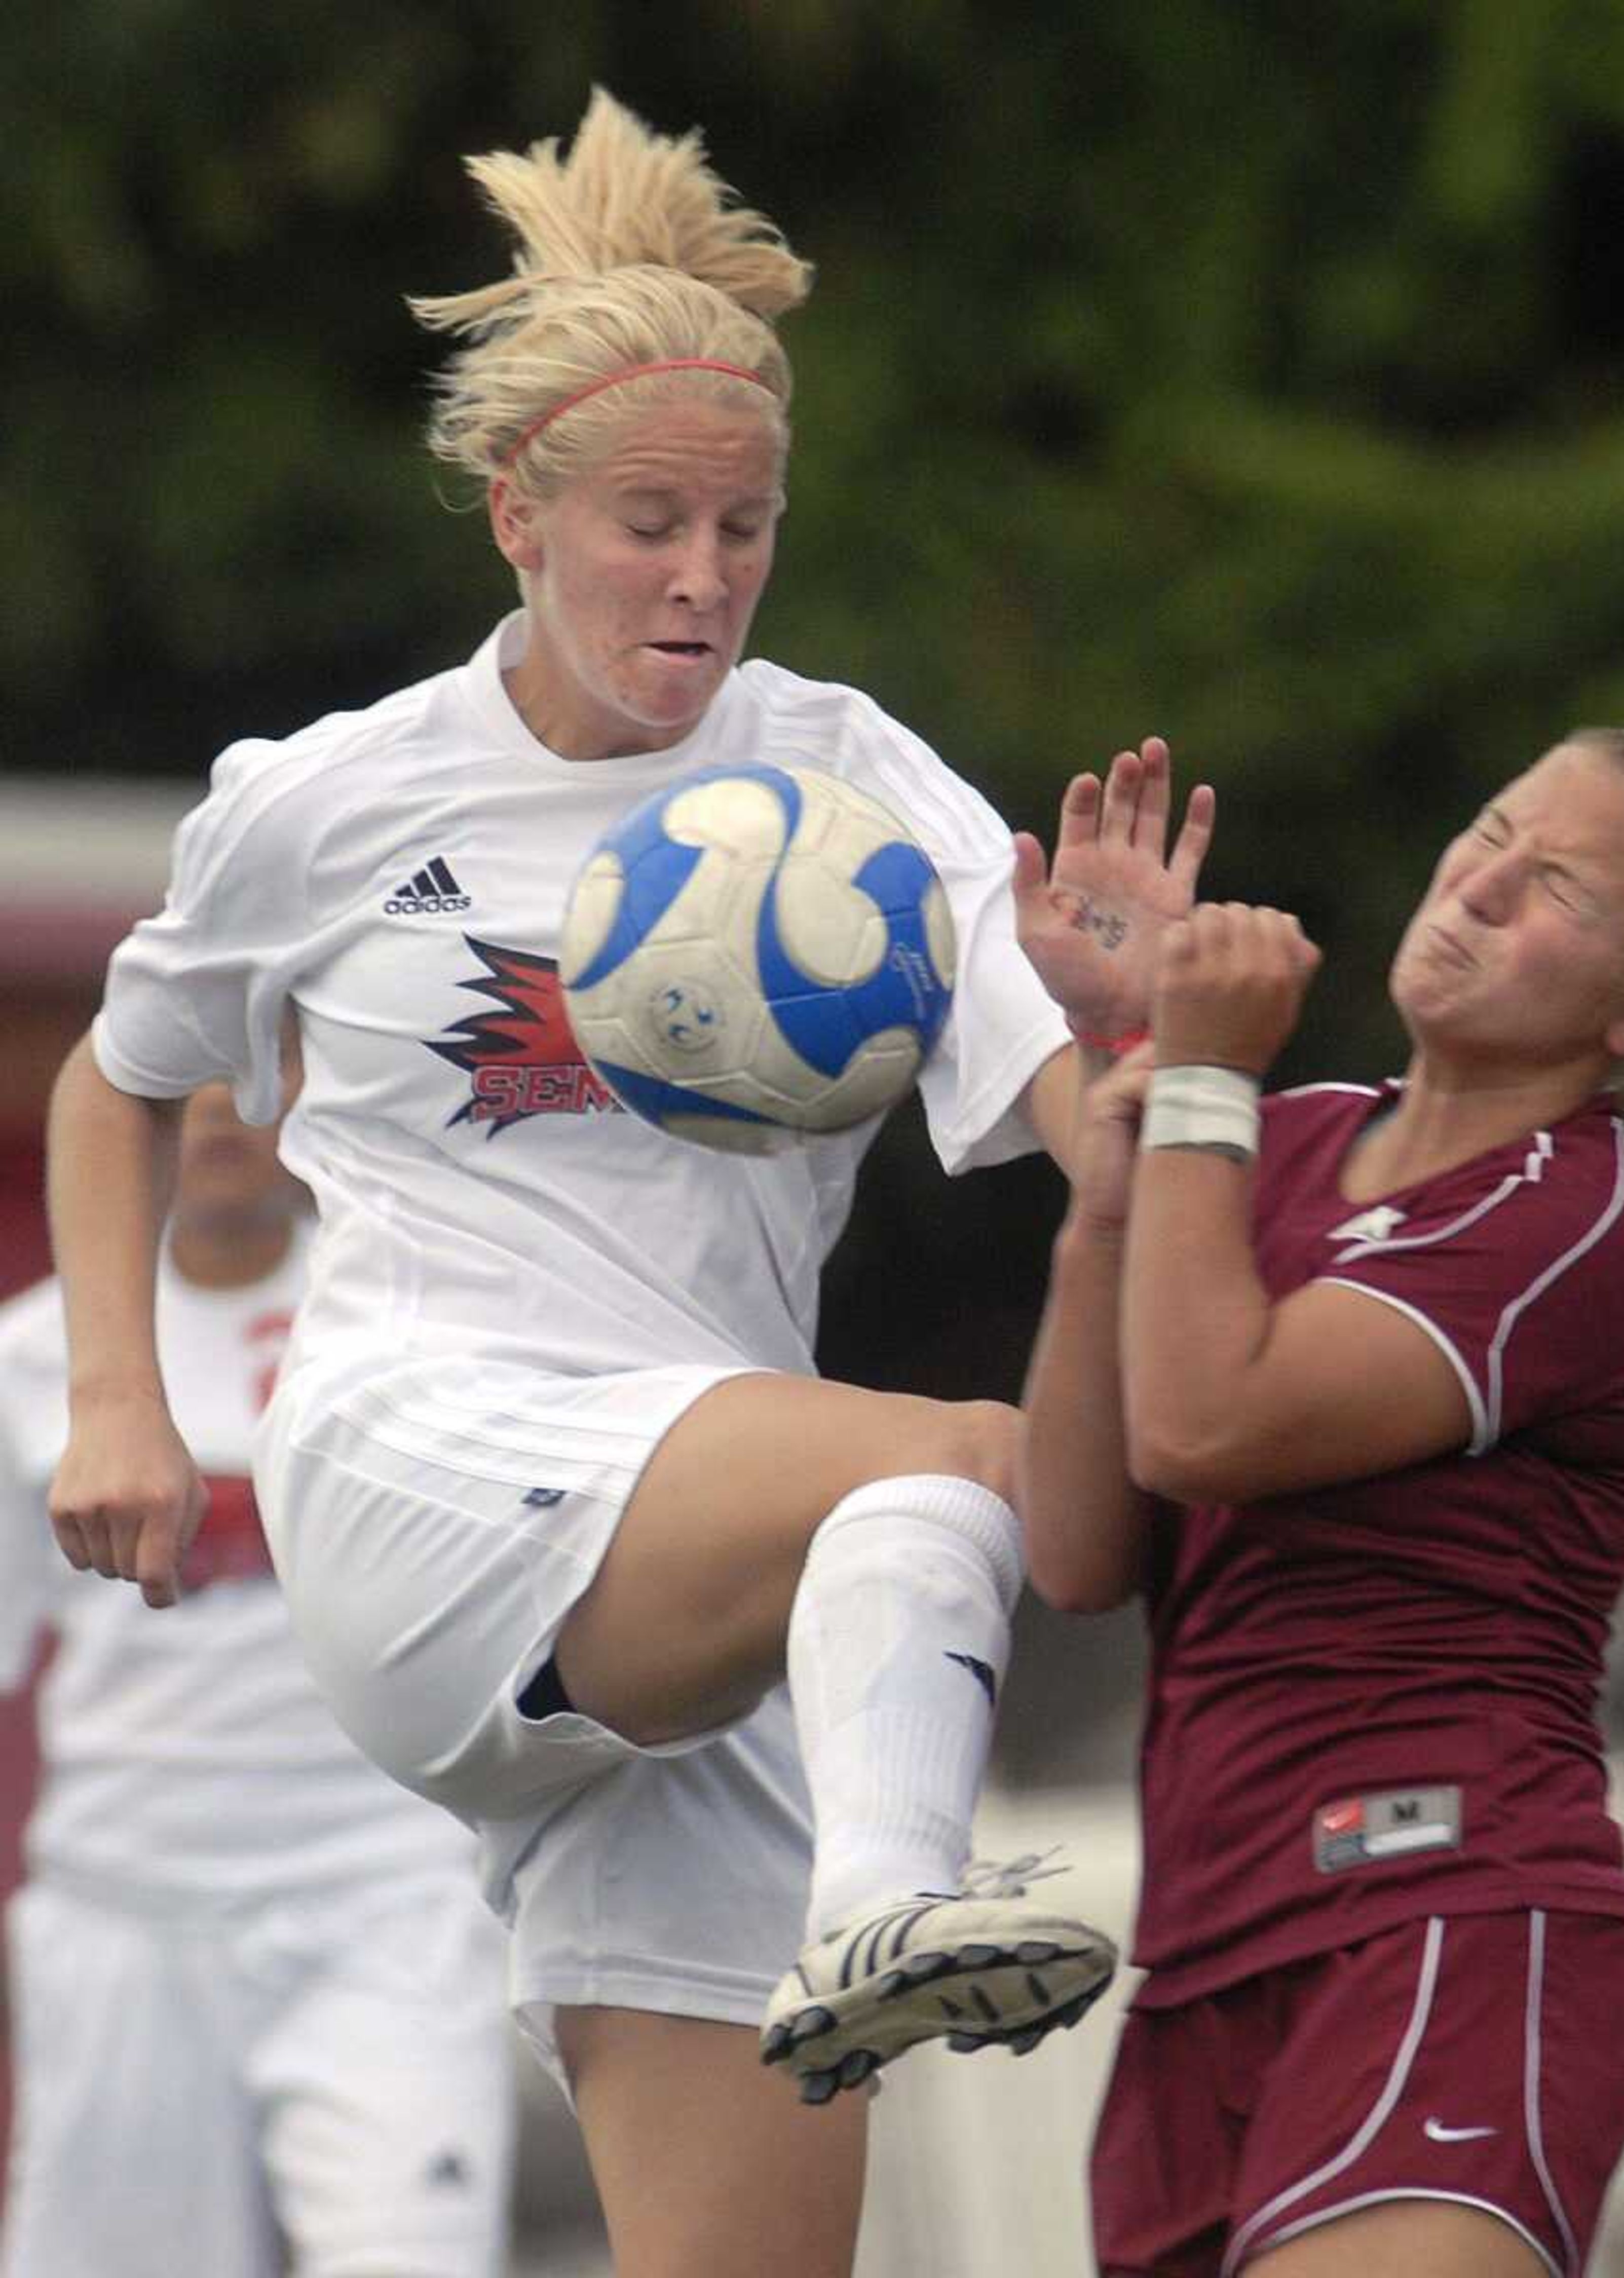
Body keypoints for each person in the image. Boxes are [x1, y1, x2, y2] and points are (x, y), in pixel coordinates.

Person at [41, 88, 1210, 2278]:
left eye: (748, 527)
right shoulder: (326, 799)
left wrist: (1133, 1035)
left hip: (708, 1587)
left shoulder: (856, 785)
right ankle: (893, 1904)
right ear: (519, 516)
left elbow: (1087, 1130)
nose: (702, 579)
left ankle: (868, 1890)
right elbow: (120, 1078)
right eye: (652, 521)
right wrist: (122, 1389)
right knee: (961, 1469)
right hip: (424, 1460)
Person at [1014, 716, 1624, 2278]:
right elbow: (1084, 1550)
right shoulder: (1271, 1145)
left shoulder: (1572, 1219)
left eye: (1562, 885)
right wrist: (1117, 1173)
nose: (1484, 887)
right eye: (1496, 831)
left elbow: (1211, 1425)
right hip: (1207, 1956)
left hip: (1446, 1914)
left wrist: (1202, 1083)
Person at [1, 1076, 514, 2278]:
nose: (221, 1116)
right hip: (125, 1909)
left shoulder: (419, 1324)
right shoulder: (29, 1357)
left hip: (388, 1898)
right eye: (181, 1086)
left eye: (258, 1079)